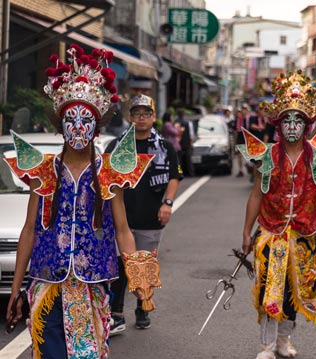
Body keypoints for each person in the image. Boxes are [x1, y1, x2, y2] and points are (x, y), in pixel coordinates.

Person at [4, 43, 156, 358]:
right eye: (70, 120)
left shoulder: (109, 173)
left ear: (97, 126)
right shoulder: (44, 171)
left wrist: (138, 276)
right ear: (60, 127)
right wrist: (16, 288)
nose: (77, 127)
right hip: (48, 282)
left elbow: (123, 230)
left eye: (84, 120)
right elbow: (29, 230)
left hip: (93, 284)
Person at [238, 71, 316, 359]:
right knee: (270, 289)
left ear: (307, 124)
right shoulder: (267, 156)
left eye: (298, 120)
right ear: (279, 124)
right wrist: (247, 232)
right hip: (271, 232)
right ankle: (267, 346)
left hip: (304, 233)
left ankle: (284, 341)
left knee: (297, 290)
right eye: (287, 120)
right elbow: (256, 195)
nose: (292, 126)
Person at [107, 94, 183, 333]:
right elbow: (105, 177)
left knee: (145, 265)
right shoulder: (117, 145)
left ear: (153, 117)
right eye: (137, 114)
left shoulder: (165, 146)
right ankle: (116, 314)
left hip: (151, 217)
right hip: (121, 219)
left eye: (146, 114)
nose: (141, 118)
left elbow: (175, 175)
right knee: (120, 267)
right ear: (130, 117)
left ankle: (142, 308)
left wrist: (167, 203)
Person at [175, 108, 195, 177]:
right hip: (186, 144)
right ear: (184, 114)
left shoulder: (175, 122)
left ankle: (180, 173)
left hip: (177, 144)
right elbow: (191, 134)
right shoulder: (187, 123)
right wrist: (191, 142)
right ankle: (190, 173)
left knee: (179, 160)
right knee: (188, 160)